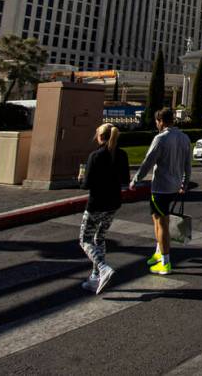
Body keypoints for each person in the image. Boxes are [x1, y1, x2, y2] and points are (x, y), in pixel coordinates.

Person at [130, 107, 191, 275]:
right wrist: (184, 183)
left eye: (157, 122)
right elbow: (188, 163)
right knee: (157, 219)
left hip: (161, 187)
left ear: (161, 121)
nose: (156, 124)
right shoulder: (184, 138)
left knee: (161, 223)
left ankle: (165, 262)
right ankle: (158, 252)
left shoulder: (161, 139)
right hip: (175, 185)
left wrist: (135, 180)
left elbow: (148, 162)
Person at [79, 123, 130, 294]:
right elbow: (125, 179)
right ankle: (95, 276)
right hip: (113, 203)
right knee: (99, 238)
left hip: (96, 203)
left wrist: (80, 179)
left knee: (85, 239)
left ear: (100, 137)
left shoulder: (95, 156)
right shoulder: (122, 155)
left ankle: (102, 267)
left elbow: (87, 184)